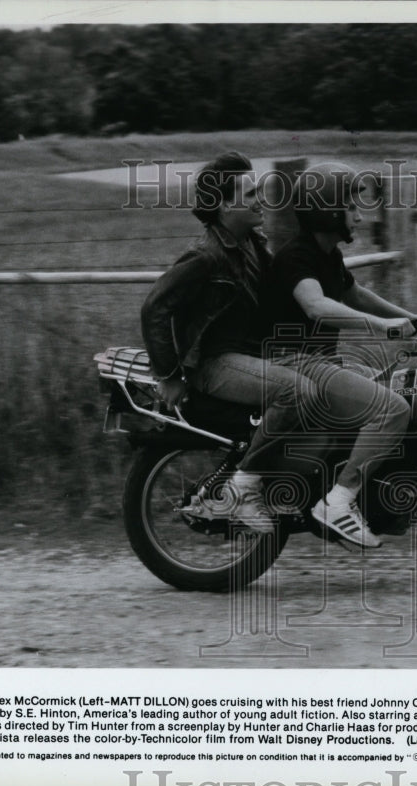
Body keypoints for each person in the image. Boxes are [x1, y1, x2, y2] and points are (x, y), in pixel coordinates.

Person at [269, 162, 417, 548]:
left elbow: (354, 294)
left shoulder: (327, 255)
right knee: (393, 409)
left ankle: (358, 492)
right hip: (294, 364)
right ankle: (338, 502)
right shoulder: (296, 257)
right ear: (326, 211)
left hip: (320, 364)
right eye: (351, 208)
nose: (359, 216)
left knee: (398, 392)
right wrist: (381, 327)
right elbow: (316, 306)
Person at [141, 151, 299, 534]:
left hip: (246, 355)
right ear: (226, 205)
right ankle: (242, 493)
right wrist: (170, 375)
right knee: (293, 393)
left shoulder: (251, 244)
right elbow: (154, 308)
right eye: (249, 193)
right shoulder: (207, 256)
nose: (260, 198)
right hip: (215, 363)